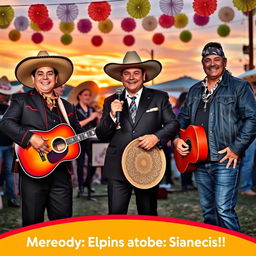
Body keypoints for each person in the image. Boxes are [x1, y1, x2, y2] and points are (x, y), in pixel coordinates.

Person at [173, 42, 256, 231]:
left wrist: (237, 148)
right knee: (208, 212)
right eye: (207, 60)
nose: (212, 63)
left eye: (217, 59)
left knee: (224, 210)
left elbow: (252, 119)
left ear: (224, 62)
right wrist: (177, 139)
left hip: (225, 160)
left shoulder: (239, 87)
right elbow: (182, 120)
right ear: (202, 63)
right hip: (199, 160)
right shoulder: (194, 90)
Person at [0, 51, 84, 226]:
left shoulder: (67, 106)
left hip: (61, 176)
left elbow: (78, 134)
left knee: (61, 227)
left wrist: (111, 120)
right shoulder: (21, 100)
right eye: (40, 73)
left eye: (50, 73)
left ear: (56, 78)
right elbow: (6, 123)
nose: (45, 78)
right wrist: (30, 138)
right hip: (33, 174)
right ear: (33, 78)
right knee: (32, 225)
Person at [96, 51, 179, 215]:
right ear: (121, 77)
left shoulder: (159, 97)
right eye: (126, 73)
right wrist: (112, 115)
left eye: (135, 73)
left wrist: (156, 137)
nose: (131, 77)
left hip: (147, 165)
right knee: (116, 215)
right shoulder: (110, 101)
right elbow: (102, 134)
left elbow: (173, 123)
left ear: (144, 75)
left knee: (148, 214)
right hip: (117, 167)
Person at [68, 82, 100, 198]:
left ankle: (88, 183)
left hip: (92, 140)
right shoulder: (74, 110)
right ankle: (81, 187)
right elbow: (76, 125)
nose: (87, 97)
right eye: (85, 95)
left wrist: (98, 119)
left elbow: (95, 126)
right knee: (80, 164)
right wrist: (90, 118)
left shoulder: (92, 109)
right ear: (79, 96)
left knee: (94, 163)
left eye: (89, 95)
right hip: (79, 140)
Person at [0, 76, 23, 208]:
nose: (5, 96)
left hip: (8, 145)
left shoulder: (9, 108)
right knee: (6, 171)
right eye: (3, 94)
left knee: (9, 171)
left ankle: (11, 198)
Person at [173, 92, 196, 191]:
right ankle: (185, 183)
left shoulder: (190, 109)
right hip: (182, 137)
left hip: (190, 137)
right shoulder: (178, 110)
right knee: (184, 161)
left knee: (190, 162)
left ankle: (188, 183)